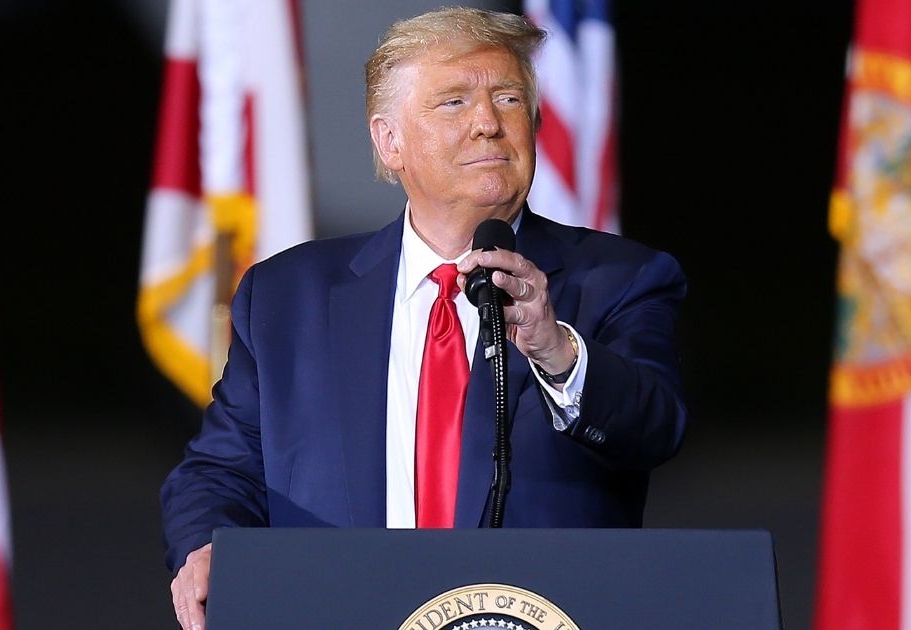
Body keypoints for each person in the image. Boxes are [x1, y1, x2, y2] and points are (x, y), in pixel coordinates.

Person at [162, 7, 687, 629]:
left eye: (509, 98)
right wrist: (207, 546)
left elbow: (654, 427)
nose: (489, 124)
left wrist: (556, 351)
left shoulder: (620, 279)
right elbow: (221, 470)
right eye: (454, 102)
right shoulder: (286, 296)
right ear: (390, 140)